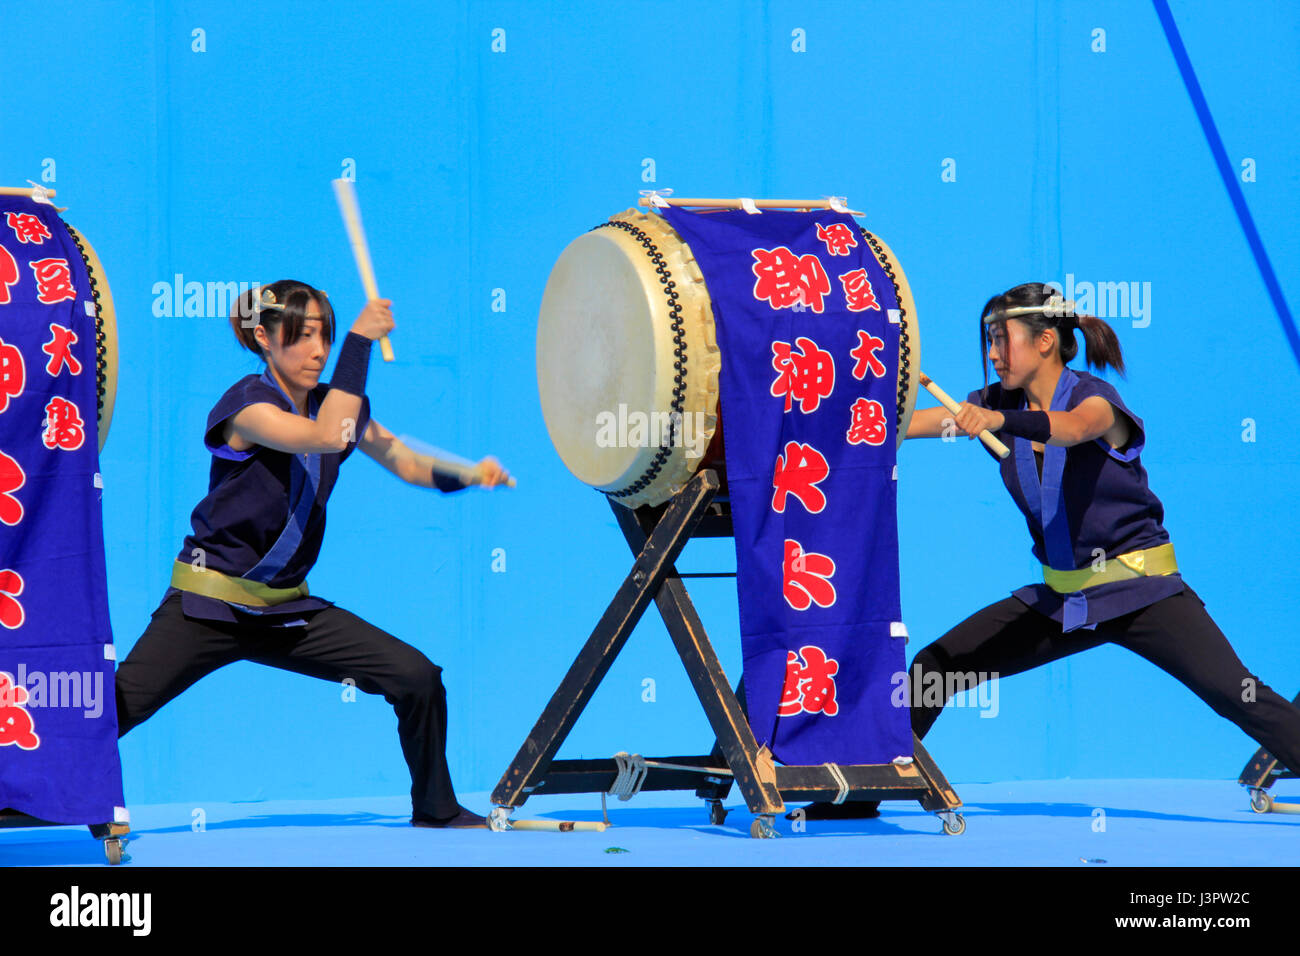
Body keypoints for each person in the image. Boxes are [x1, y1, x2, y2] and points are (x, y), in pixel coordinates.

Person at [796, 281, 1300, 821]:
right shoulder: (996, 405)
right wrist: (830, 421)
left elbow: (1073, 430)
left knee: (1239, 695)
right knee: (935, 668)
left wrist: (996, 420)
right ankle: (869, 790)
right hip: (1063, 601)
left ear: (1044, 343)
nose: (991, 354)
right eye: (987, 340)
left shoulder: (1096, 402)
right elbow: (904, 425)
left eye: (1000, 338)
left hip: (1140, 592)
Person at [114, 280, 509, 828]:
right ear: (263, 337)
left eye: (324, 336)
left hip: (285, 612)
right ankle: (23, 794)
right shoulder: (246, 407)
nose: (317, 351)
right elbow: (326, 436)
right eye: (300, 336)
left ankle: (436, 809)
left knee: (416, 676)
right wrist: (358, 342)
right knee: (112, 711)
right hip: (208, 607)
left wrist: (469, 474)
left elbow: (406, 463)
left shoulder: (335, 404)